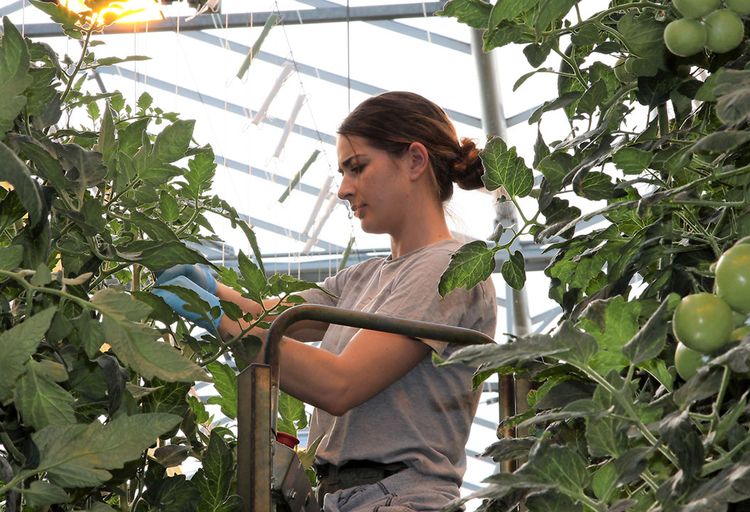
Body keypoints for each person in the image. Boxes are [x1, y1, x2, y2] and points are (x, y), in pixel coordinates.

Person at [154, 91, 497, 511]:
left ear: (414, 160)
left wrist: (217, 321)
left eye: (357, 168)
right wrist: (209, 285)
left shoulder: (450, 267)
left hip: (403, 499)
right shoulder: (364, 277)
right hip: (344, 498)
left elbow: (340, 384)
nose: (343, 190)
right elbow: (274, 317)